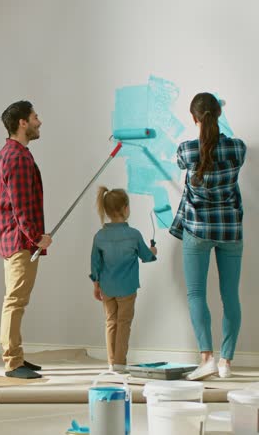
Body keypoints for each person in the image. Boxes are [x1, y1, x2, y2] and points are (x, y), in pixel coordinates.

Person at [170, 92, 246, 380]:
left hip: (197, 231)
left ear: (194, 118)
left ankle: (207, 358)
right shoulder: (238, 149)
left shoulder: (187, 151)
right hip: (230, 230)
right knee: (230, 296)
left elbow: (182, 161)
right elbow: (226, 143)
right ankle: (226, 362)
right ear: (218, 114)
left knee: (196, 294)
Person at [0, 100, 52, 379]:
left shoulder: (13, 153)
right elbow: (19, 206)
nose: (39, 121)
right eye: (35, 117)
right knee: (15, 301)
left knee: (17, 300)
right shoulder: (16, 157)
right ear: (22, 123)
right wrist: (36, 237)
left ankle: (17, 356)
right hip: (20, 242)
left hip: (18, 240)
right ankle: (12, 362)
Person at [90, 186, 157, 372]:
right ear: (126, 208)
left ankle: (112, 362)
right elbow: (146, 257)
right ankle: (120, 362)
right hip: (127, 288)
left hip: (107, 287)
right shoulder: (133, 235)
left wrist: (96, 285)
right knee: (123, 323)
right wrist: (153, 252)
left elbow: (95, 264)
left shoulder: (100, 236)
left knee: (110, 322)